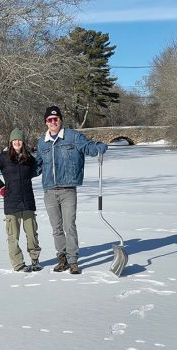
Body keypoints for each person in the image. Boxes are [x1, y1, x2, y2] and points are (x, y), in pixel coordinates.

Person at [35, 106, 107, 274]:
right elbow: (37, 165)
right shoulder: (41, 142)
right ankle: (62, 259)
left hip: (68, 190)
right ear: (46, 122)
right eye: (49, 120)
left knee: (70, 226)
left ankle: (73, 261)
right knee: (56, 228)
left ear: (60, 119)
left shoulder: (73, 136)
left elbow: (88, 147)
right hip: (49, 191)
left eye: (56, 119)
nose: (53, 122)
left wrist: (98, 147)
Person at [0, 128, 41, 273]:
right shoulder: (4, 157)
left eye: (19, 140)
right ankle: (19, 264)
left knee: (32, 234)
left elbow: (37, 169)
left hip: (28, 201)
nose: (17, 142)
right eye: (14, 140)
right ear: (11, 142)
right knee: (13, 237)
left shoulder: (29, 158)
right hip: (11, 202)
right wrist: (0, 186)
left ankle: (35, 260)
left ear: (23, 142)